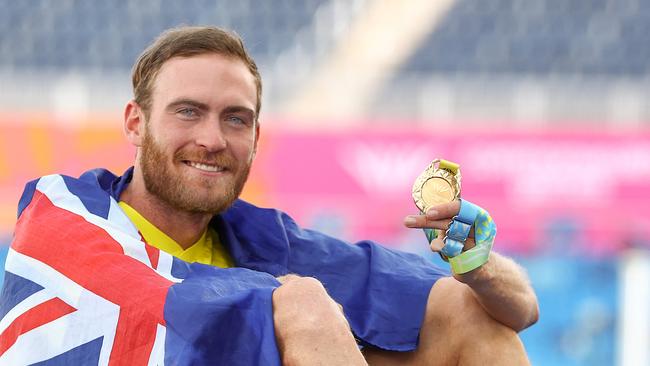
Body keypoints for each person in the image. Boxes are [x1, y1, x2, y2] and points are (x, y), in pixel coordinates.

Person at [0, 26, 538, 365]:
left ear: (256, 138)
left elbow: (516, 311)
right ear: (135, 123)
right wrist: (305, 317)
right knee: (299, 305)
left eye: (235, 119)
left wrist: (478, 268)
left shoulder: (263, 240)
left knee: (469, 317)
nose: (211, 139)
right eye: (187, 111)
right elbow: (178, 310)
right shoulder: (61, 215)